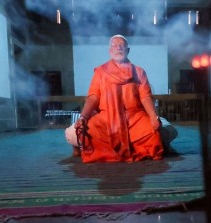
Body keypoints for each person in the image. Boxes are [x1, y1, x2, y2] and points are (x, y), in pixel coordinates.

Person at [65, 34, 164, 163]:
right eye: (115, 46)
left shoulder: (139, 72)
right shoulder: (100, 72)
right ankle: (80, 148)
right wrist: (83, 116)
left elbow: (145, 96)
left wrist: (153, 117)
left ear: (128, 50)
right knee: (86, 131)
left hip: (133, 117)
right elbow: (93, 97)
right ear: (110, 51)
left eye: (122, 45)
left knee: (153, 133)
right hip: (107, 118)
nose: (118, 48)